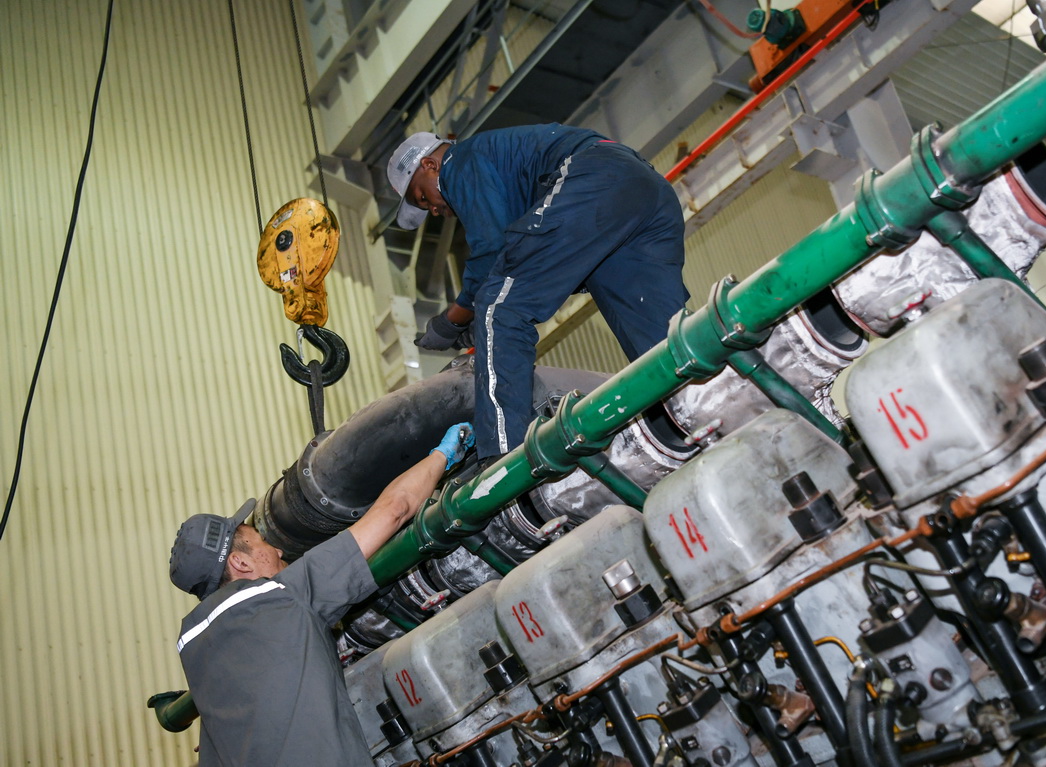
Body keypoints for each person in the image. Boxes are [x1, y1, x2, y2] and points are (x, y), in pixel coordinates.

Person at [168, 423, 475, 766]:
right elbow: (396, 509)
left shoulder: (198, 656)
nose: (279, 553)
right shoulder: (278, 597)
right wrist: (443, 455)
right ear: (240, 562)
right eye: (263, 543)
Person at [388, 124, 689, 459]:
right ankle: (692, 414)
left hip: (594, 178)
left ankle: (504, 458)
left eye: (422, 196)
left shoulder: (460, 161)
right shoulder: (502, 170)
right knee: (657, 338)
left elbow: (491, 250)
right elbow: (530, 259)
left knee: (499, 309)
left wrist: (452, 320)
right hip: (644, 189)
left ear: (429, 165)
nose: (432, 209)